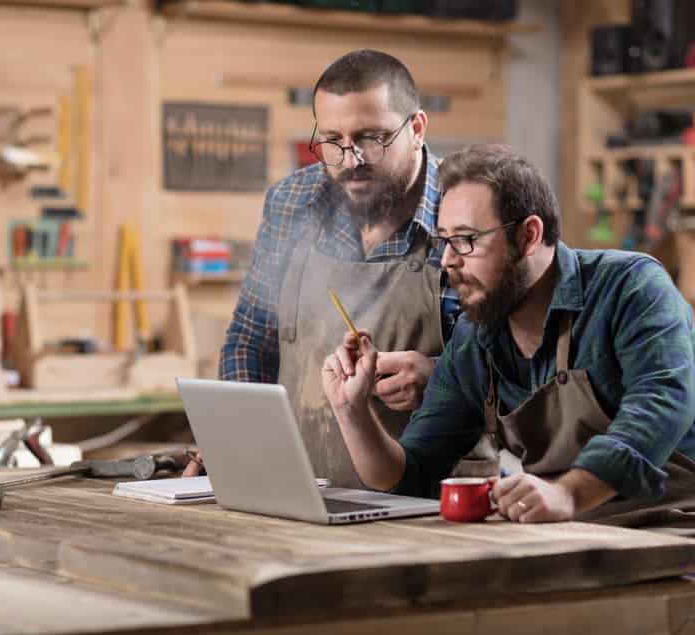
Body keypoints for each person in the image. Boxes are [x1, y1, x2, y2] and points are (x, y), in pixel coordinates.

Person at [322, 143, 695, 527]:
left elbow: (661, 406)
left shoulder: (630, 287)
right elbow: (410, 474)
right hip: (575, 536)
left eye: (466, 240)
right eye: (445, 241)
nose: (449, 259)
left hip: (675, 529)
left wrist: (567, 493)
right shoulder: (475, 339)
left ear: (529, 236)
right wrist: (353, 412)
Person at [186, 49, 468, 486]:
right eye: (333, 141)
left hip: (436, 502)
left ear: (416, 128)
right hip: (305, 492)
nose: (351, 160)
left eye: (371, 138)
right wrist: (241, 443)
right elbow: (250, 340)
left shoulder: (470, 210)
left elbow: (521, 365)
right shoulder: (293, 202)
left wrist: (440, 376)